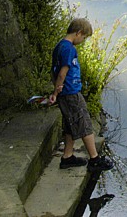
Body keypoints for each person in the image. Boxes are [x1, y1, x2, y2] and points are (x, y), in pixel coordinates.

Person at [51, 17, 113, 172]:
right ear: (78, 33)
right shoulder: (69, 49)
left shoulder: (59, 46)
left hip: (66, 92)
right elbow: (62, 73)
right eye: (84, 37)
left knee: (70, 125)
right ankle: (94, 159)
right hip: (70, 93)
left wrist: (56, 90)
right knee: (84, 124)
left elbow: (54, 71)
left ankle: (67, 157)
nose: (83, 40)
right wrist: (56, 91)